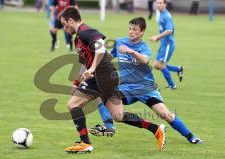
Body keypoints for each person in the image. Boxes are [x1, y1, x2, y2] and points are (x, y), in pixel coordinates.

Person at [60, 6, 166, 153]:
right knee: (118, 115)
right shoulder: (78, 39)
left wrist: (92, 69)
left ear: (71, 20)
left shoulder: (85, 31)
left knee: (72, 105)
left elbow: (101, 48)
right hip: (108, 77)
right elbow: (84, 64)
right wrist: (77, 82)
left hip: (101, 76)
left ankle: (85, 143)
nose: (64, 29)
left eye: (64, 25)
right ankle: (156, 129)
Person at [89, 17, 203, 145]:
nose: (131, 32)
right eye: (130, 29)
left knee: (165, 114)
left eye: (135, 30)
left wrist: (130, 51)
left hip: (145, 88)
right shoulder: (120, 42)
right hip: (126, 88)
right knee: (107, 102)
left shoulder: (144, 47)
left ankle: (191, 137)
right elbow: (109, 56)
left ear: (142, 32)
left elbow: (144, 60)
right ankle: (108, 125)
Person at [150, 0, 183, 89]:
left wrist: (157, 37)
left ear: (165, 4)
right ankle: (178, 69)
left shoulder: (166, 16)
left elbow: (169, 30)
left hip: (168, 44)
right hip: (163, 43)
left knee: (159, 65)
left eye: (161, 3)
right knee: (156, 65)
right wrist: (159, 38)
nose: (159, 4)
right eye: (157, 3)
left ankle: (172, 85)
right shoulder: (161, 14)